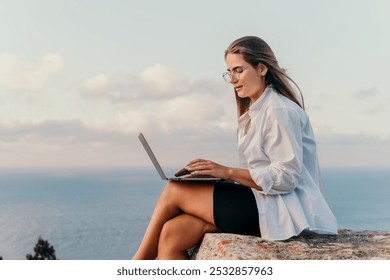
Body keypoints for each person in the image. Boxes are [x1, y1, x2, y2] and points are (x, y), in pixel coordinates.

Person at [132, 36, 338, 260]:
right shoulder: (256, 110)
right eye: (229, 72)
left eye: (239, 70)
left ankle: (136, 263)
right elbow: (262, 170)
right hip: (263, 201)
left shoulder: (278, 109)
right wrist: (216, 177)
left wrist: (227, 172)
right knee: (174, 232)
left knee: (175, 190)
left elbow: (286, 177)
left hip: (281, 212)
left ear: (261, 68)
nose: (233, 79)